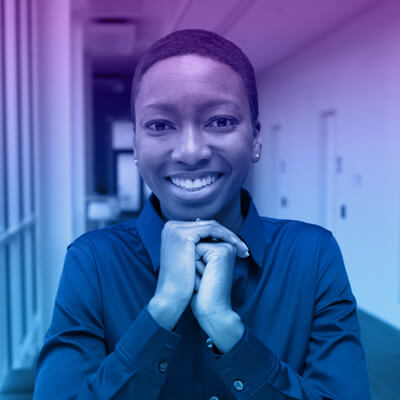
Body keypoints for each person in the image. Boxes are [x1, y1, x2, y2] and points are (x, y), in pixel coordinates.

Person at [33, 29, 372, 399]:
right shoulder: (94, 262)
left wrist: (227, 329)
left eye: (220, 121)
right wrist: (161, 311)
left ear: (256, 139)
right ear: (135, 144)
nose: (191, 151)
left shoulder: (311, 255)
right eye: (160, 125)